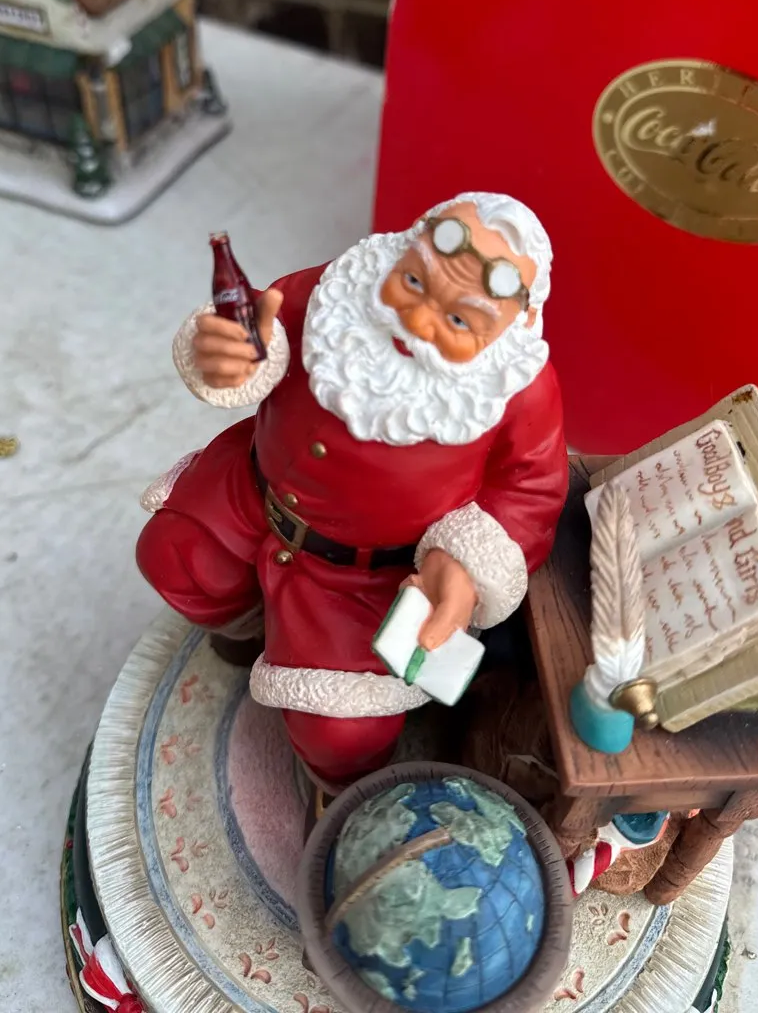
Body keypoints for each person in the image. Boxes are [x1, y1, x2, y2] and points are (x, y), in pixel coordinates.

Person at [136, 193, 568, 805]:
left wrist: (465, 567)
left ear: (515, 323)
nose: (418, 322)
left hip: (363, 579)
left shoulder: (519, 390)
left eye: (459, 320)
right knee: (176, 559)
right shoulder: (333, 292)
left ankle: (339, 797)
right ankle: (248, 625)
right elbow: (260, 329)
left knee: (343, 735)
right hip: (249, 495)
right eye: (413, 282)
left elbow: (530, 490)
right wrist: (227, 353)